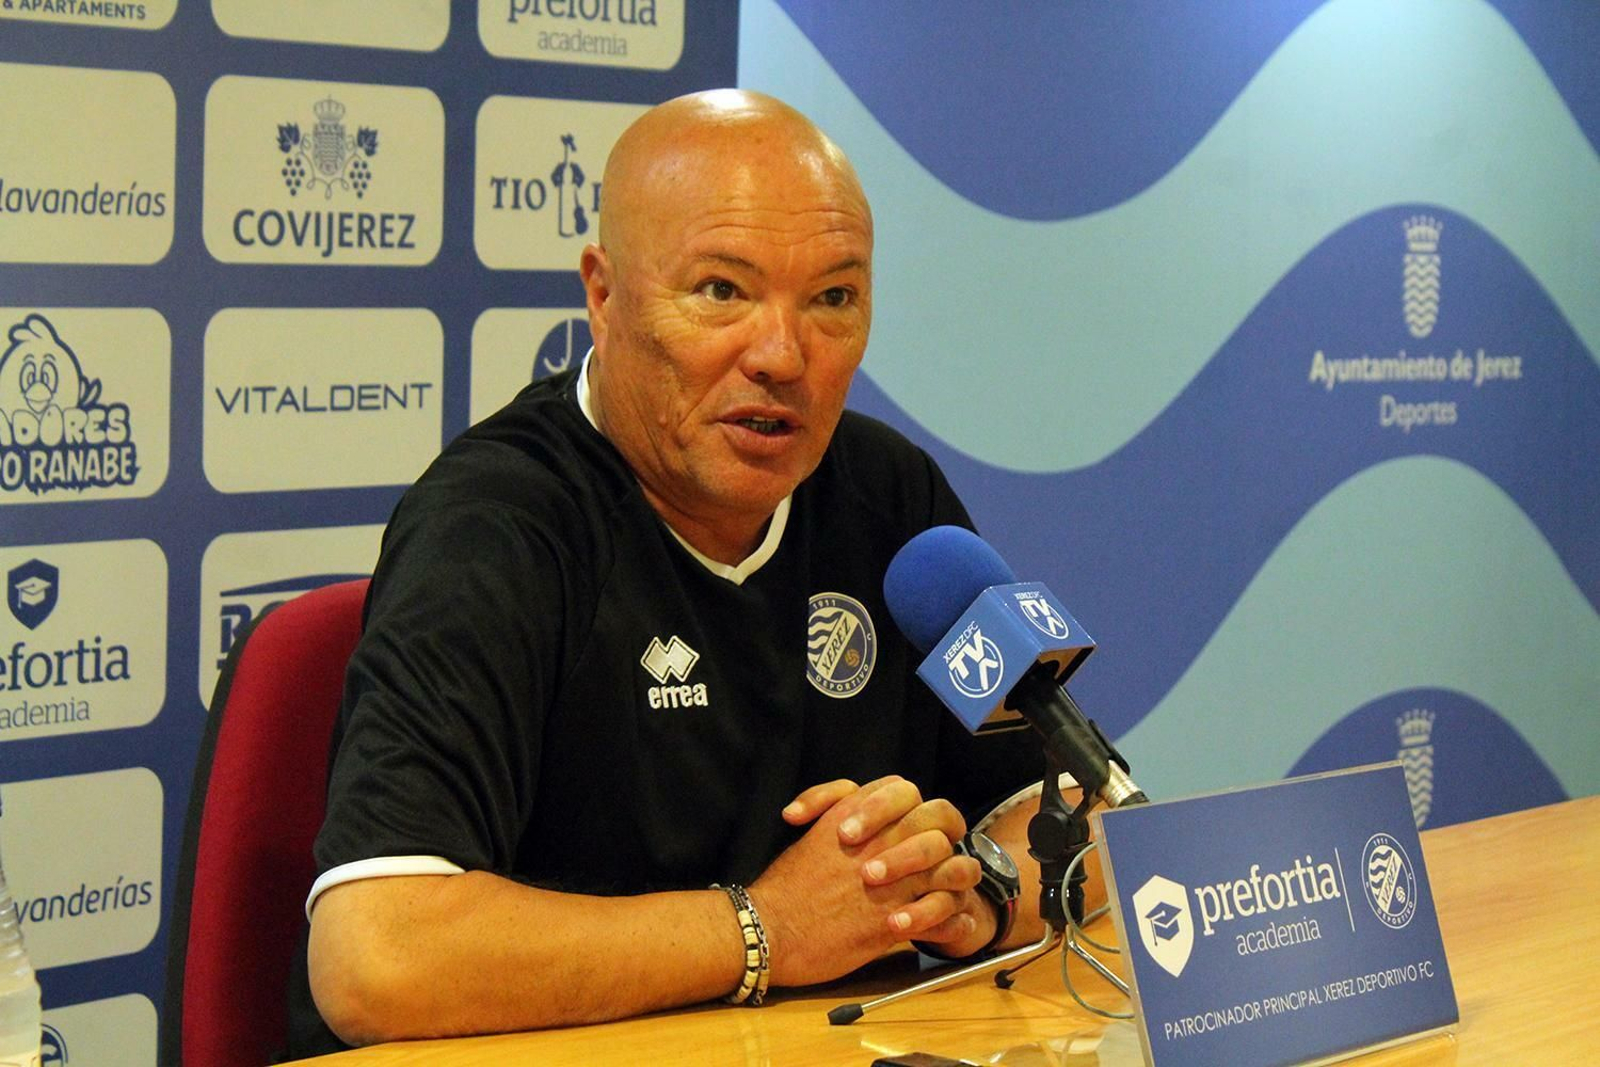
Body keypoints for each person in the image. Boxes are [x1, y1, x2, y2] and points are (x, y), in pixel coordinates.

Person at [288, 89, 1095, 1055]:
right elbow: (376, 955)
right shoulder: (495, 524)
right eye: (722, 290)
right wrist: (764, 929)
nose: (782, 355)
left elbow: (1078, 820)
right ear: (603, 291)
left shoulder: (892, 499)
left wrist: (977, 897)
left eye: (833, 297)